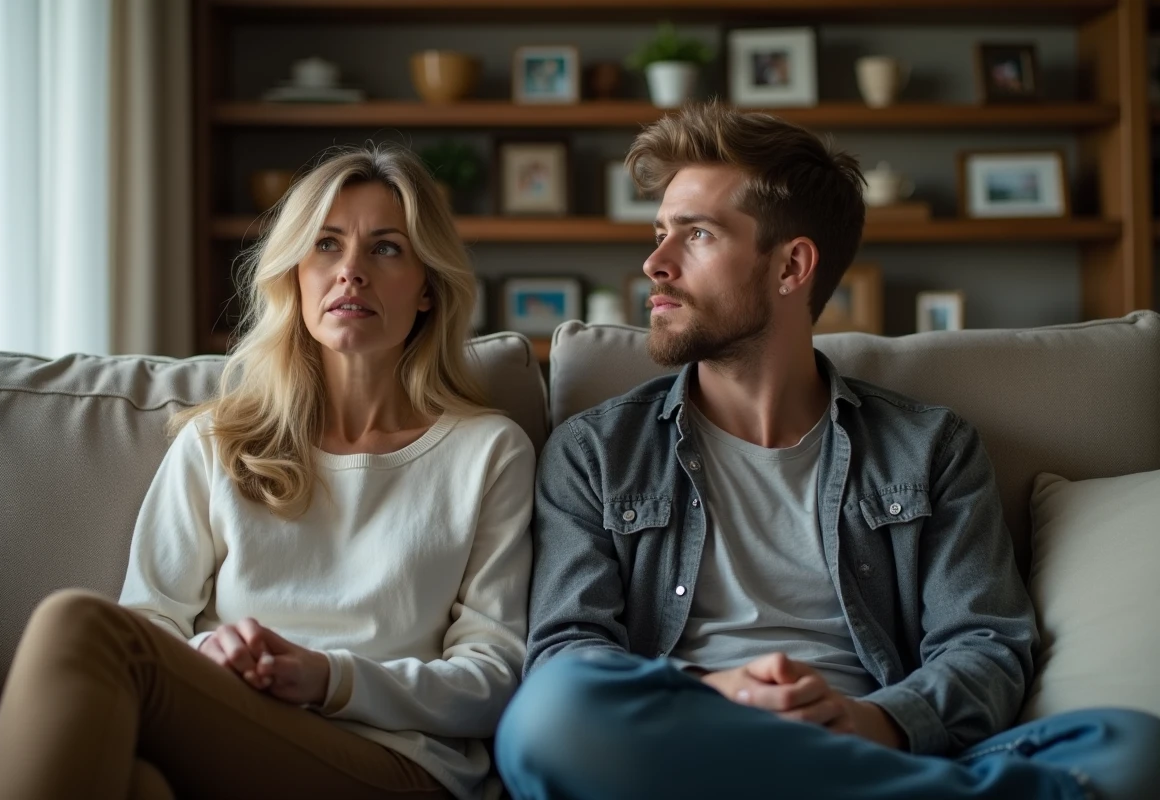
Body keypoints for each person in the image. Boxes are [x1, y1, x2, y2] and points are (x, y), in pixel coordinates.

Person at [494, 103, 1160, 800]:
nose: (655, 263)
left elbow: (986, 647)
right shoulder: (596, 452)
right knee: (553, 712)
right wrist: (716, 695)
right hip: (690, 742)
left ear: (792, 266)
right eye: (661, 234)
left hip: (869, 743)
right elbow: (568, 649)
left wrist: (873, 720)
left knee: (1132, 744)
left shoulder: (930, 447)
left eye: (695, 235)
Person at [0, 145, 535, 800]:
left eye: (385, 249)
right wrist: (206, 664)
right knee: (134, 786)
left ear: (427, 290)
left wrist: (327, 677)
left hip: (391, 761)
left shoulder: (488, 452)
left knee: (78, 624)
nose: (350, 271)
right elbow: (153, 621)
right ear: (295, 275)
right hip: (227, 729)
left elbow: (492, 677)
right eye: (326, 245)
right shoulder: (220, 440)